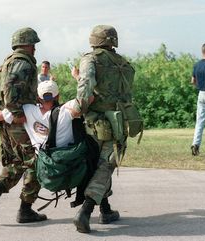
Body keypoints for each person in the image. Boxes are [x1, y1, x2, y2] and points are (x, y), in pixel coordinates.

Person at [71, 25, 136, 233]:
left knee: (98, 166)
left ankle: (86, 210)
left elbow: (87, 84)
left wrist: (79, 109)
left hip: (94, 123)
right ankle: (105, 210)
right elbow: (118, 93)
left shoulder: (90, 59)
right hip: (118, 123)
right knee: (106, 165)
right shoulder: (125, 64)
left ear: (94, 40)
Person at [0, 27, 47, 224]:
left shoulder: (11, 62)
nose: (35, 48)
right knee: (37, 161)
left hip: (13, 120)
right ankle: (25, 209)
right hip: (18, 121)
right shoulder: (22, 64)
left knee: (19, 162)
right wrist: (18, 115)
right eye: (33, 44)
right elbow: (11, 91)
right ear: (26, 45)